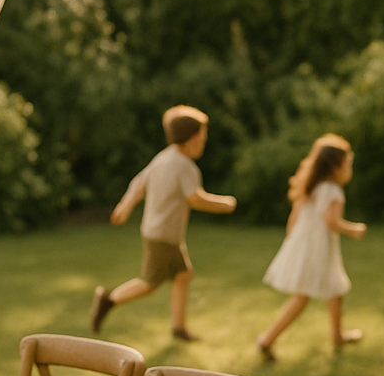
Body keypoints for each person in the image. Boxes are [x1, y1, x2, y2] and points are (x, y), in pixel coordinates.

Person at [91, 105, 237, 340]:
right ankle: (108, 300)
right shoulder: (185, 166)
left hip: (160, 232)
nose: (204, 141)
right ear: (191, 139)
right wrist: (225, 204)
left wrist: (125, 205)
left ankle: (178, 328)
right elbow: (195, 198)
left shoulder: (163, 157)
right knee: (150, 283)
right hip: (163, 236)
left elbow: (139, 182)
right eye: (202, 137)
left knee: (183, 276)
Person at [256, 133, 368, 359]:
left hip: (303, 244)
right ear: (335, 167)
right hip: (318, 249)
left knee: (335, 289)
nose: (349, 169)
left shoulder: (310, 186)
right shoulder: (333, 190)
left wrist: (293, 241)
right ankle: (267, 340)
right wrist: (353, 229)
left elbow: (294, 218)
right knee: (302, 297)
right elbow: (331, 220)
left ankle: (337, 336)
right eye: (347, 164)